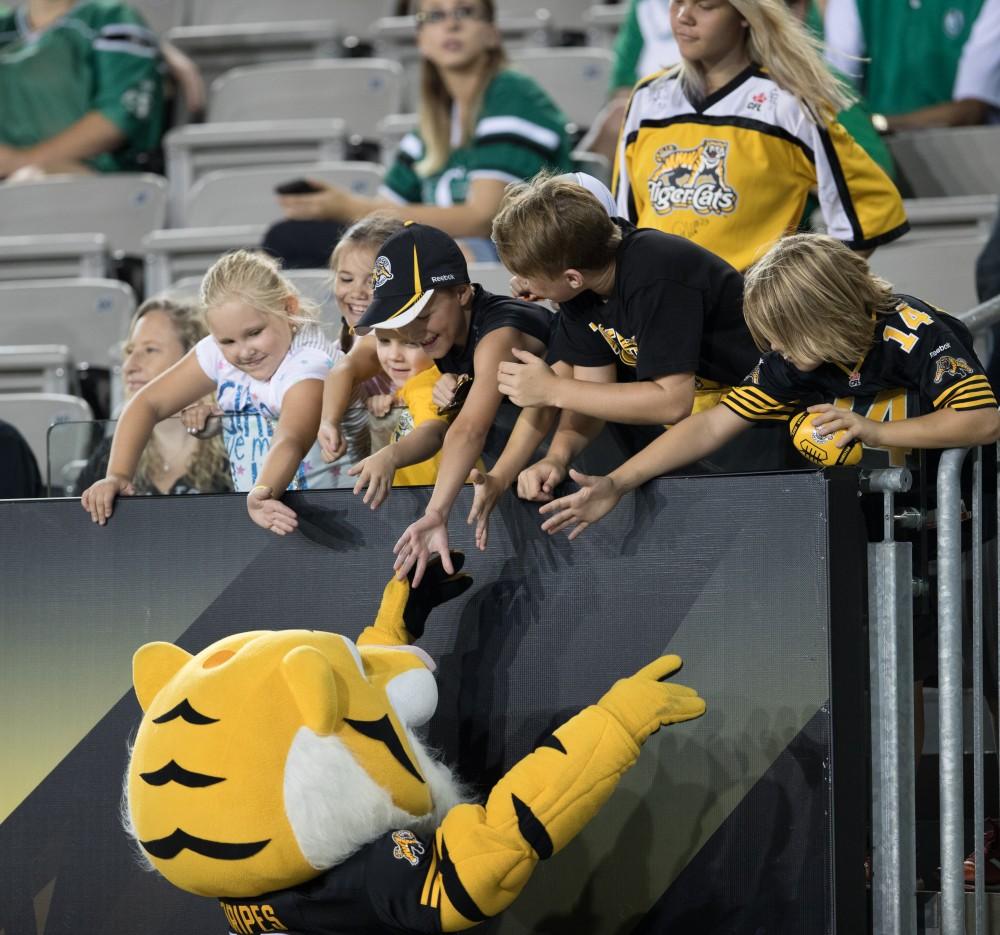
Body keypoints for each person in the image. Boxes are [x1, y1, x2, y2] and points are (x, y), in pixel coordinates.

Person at [537, 233, 1000, 539]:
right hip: (894, 516)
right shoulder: (790, 360)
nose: (773, 345)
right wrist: (617, 482)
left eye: (783, 331)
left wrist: (876, 432)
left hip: (973, 512)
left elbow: (982, 419)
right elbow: (712, 426)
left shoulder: (911, 329)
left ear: (826, 316)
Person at [466, 173, 768, 550]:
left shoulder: (655, 271)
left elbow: (672, 402)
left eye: (528, 275)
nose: (519, 284)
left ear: (572, 277)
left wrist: (553, 389)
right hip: (715, 421)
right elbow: (593, 393)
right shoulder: (583, 288)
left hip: (766, 417)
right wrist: (558, 457)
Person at [262, 0, 575, 268]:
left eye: (466, 11)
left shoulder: (512, 93)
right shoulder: (434, 120)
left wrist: (350, 207)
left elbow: (483, 219)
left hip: (519, 253)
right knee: (293, 238)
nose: (451, 24)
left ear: (492, 34)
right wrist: (328, 208)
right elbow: (384, 215)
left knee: (447, 256)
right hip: (447, 255)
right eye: (435, 16)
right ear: (420, 39)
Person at [323, 221, 551, 585]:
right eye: (402, 320)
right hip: (534, 471)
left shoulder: (499, 332)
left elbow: (469, 428)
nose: (415, 334)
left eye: (423, 315)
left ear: (461, 293)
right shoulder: (443, 334)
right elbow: (349, 364)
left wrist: (436, 512)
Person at [613, 0, 908, 273]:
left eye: (705, 5)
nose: (683, 17)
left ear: (744, 15)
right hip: (657, 309)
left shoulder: (788, 102)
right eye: (677, 1)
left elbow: (868, 209)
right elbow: (624, 223)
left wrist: (805, 293)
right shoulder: (647, 98)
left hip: (745, 317)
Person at [81, 250, 340, 534]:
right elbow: (147, 403)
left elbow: (291, 438)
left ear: (289, 308)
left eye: (254, 333)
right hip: (268, 514)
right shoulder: (216, 354)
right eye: (227, 340)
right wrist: (117, 475)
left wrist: (261, 491)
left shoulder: (309, 362)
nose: (243, 351)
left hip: (333, 515)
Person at [75, 297, 232, 497]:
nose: (129, 366)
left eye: (150, 350)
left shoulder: (235, 448)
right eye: (130, 351)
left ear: (193, 359)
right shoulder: (108, 456)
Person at [0, 0, 163, 177]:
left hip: (95, 177)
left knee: (30, 180)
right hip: (11, 181)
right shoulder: (6, 25)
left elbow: (119, 117)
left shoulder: (110, 16)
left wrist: (22, 161)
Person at [825, 0, 1000, 131]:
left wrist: (878, 124)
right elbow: (836, 92)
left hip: (958, 158)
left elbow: (971, 111)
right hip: (874, 157)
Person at [327, 212, 408, 468]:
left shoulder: (399, 337)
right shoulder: (334, 349)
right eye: (346, 279)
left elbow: (347, 369)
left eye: (373, 281)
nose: (357, 293)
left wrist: (328, 421)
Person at [346, 327, 448, 509]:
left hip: (433, 504)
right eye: (384, 340)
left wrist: (388, 456)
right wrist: (395, 400)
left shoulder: (424, 386)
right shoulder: (418, 383)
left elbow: (432, 431)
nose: (394, 355)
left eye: (411, 343)